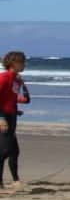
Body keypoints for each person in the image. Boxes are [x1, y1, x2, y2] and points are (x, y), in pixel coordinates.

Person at [0, 51, 29, 191]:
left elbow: (11, 98)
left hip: (11, 117)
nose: (24, 64)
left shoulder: (16, 80)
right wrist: (1, 118)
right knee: (5, 151)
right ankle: (14, 181)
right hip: (3, 118)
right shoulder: (4, 77)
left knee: (13, 151)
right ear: (14, 63)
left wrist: (15, 110)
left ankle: (15, 181)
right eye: (22, 62)